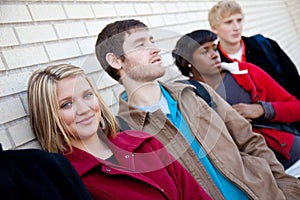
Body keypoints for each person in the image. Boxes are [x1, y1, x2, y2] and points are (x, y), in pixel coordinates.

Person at [95, 18, 300, 200]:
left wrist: (288, 190)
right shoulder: (123, 132)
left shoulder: (197, 92)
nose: (154, 49)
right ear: (115, 60)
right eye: (141, 44)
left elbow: (251, 142)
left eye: (152, 41)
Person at [27, 64, 211, 200]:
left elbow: (196, 195)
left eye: (87, 95)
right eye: (66, 104)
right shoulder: (67, 180)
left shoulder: (143, 142)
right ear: (48, 116)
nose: (84, 109)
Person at [172, 29, 300, 178]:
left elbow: (296, 107)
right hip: (255, 176)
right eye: (204, 51)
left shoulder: (246, 72)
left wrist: (262, 109)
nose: (214, 54)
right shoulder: (187, 95)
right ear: (187, 61)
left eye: (214, 48)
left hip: (291, 158)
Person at [207, 0, 300, 100]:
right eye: (228, 22)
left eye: (239, 20)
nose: (237, 27)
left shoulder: (264, 45)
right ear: (214, 29)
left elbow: (294, 82)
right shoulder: (215, 63)